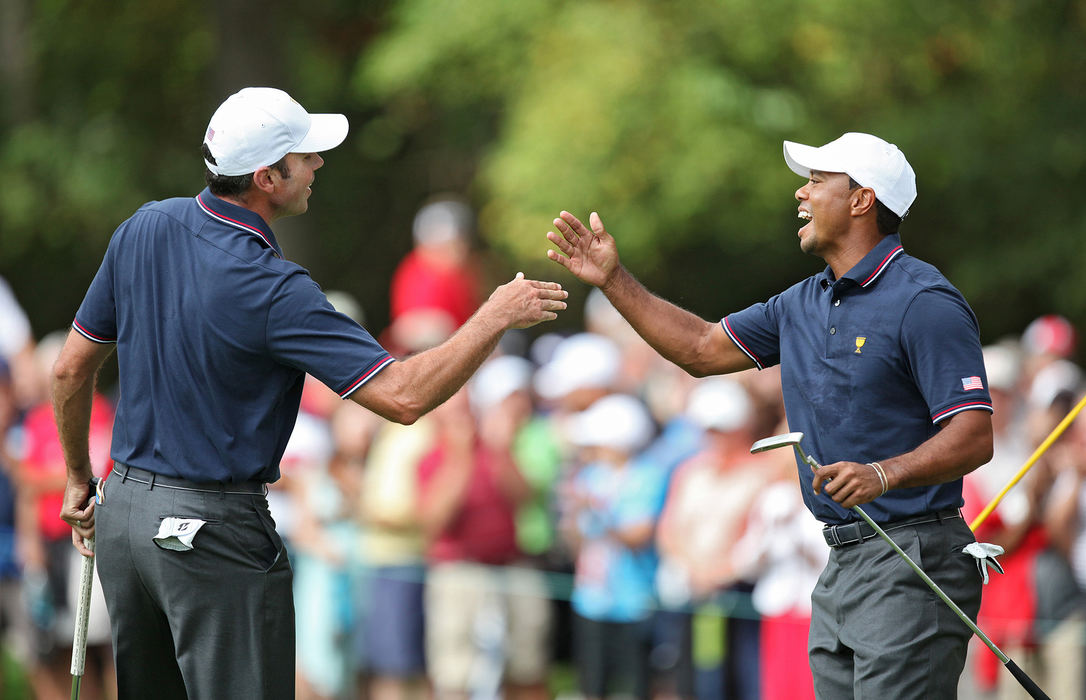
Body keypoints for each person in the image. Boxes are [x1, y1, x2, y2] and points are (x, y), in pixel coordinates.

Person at [52, 86, 567, 700]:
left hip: (126, 517)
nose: (318, 164)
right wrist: (493, 316)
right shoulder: (274, 286)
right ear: (268, 177)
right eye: (306, 155)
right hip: (211, 534)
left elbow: (68, 371)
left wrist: (80, 478)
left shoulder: (143, 227)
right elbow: (401, 397)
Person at [546, 132, 994, 699]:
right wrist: (614, 280)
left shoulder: (925, 300)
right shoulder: (801, 302)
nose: (800, 193)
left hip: (914, 555)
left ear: (862, 199)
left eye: (817, 181)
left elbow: (975, 436)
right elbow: (703, 349)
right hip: (842, 558)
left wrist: (884, 473)